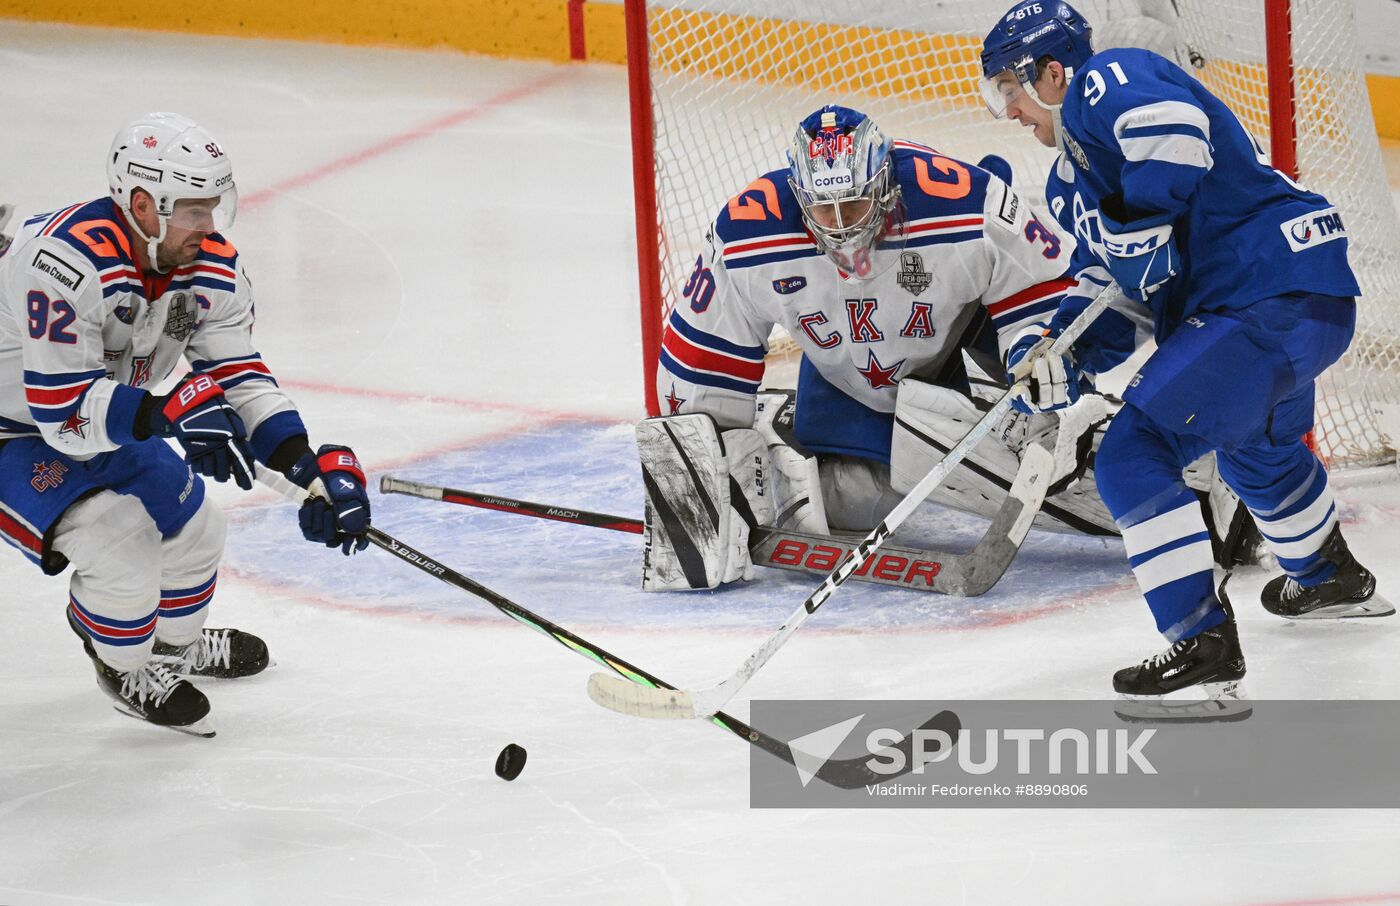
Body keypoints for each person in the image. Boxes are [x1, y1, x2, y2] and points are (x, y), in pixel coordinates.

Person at [978, 1, 1390, 700]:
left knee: (1133, 455)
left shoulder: (1103, 83)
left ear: (1051, 73)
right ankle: (1329, 577)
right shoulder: (1070, 178)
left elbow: (1175, 134)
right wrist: (1064, 353)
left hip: (1261, 296)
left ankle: (1200, 640)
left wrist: (1141, 225)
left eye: (1009, 91)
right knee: (1255, 450)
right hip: (1301, 299)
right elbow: (1120, 289)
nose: (1010, 112)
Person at [638, 102, 1155, 592]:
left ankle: (1157, 483)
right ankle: (788, 427)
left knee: (1029, 464)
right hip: (849, 377)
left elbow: (1052, 290)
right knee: (850, 510)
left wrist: (1035, 348)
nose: (840, 226)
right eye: (823, 207)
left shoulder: (967, 202)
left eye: (854, 202)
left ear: (884, 184)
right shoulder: (746, 233)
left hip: (960, 349)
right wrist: (703, 472)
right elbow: (701, 354)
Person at [0, 113, 372, 735]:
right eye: (193, 210)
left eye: (213, 206)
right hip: (14, 431)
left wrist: (303, 465)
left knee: (197, 527)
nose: (211, 225)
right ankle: (124, 666)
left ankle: (166, 654)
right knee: (120, 543)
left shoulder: (208, 267)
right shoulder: (63, 263)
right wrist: (168, 415)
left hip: (110, 415)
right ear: (143, 204)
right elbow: (63, 415)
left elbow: (239, 376)